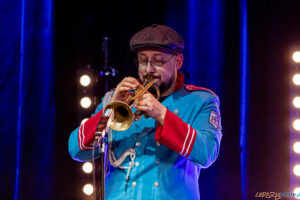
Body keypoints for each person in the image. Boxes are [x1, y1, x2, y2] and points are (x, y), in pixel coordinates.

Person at [68, 24, 222, 200]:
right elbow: (77, 150)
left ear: (178, 61)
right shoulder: (115, 98)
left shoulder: (201, 100)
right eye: (143, 60)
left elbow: (207, 154)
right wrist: (108, 109)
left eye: (159, 61)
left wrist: (163, 115)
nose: (148, 69)